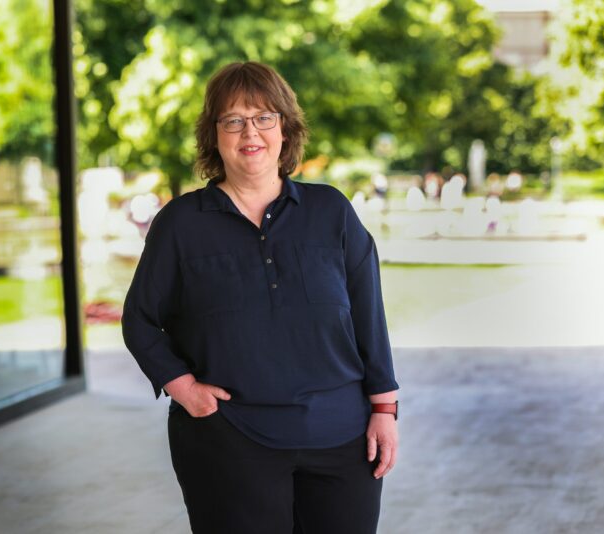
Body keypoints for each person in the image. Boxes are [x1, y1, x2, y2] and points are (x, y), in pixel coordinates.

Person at [122, 61, 399, 534]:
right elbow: (140, 320)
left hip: (341, 438)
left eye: (264, 117)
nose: (250, 132)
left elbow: (369, 316)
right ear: (213, 135)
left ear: (285, 129)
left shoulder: (331, 211)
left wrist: (384, 410)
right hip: (228, 441)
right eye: (233, 120)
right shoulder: (181, 224)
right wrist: (183, 388)